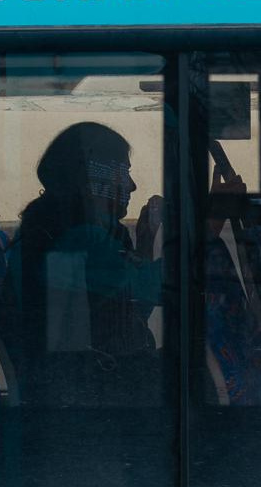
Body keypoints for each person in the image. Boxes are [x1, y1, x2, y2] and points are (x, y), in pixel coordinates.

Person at [15, 122, 163, 405]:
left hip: (85, 374)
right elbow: (158, 287)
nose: (131, 186)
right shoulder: (80, 237)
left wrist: (144, 244)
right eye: (124, 172)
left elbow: (127, 311)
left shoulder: (63, 226)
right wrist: (206, 232)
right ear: (96, 177)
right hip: (86, 386)